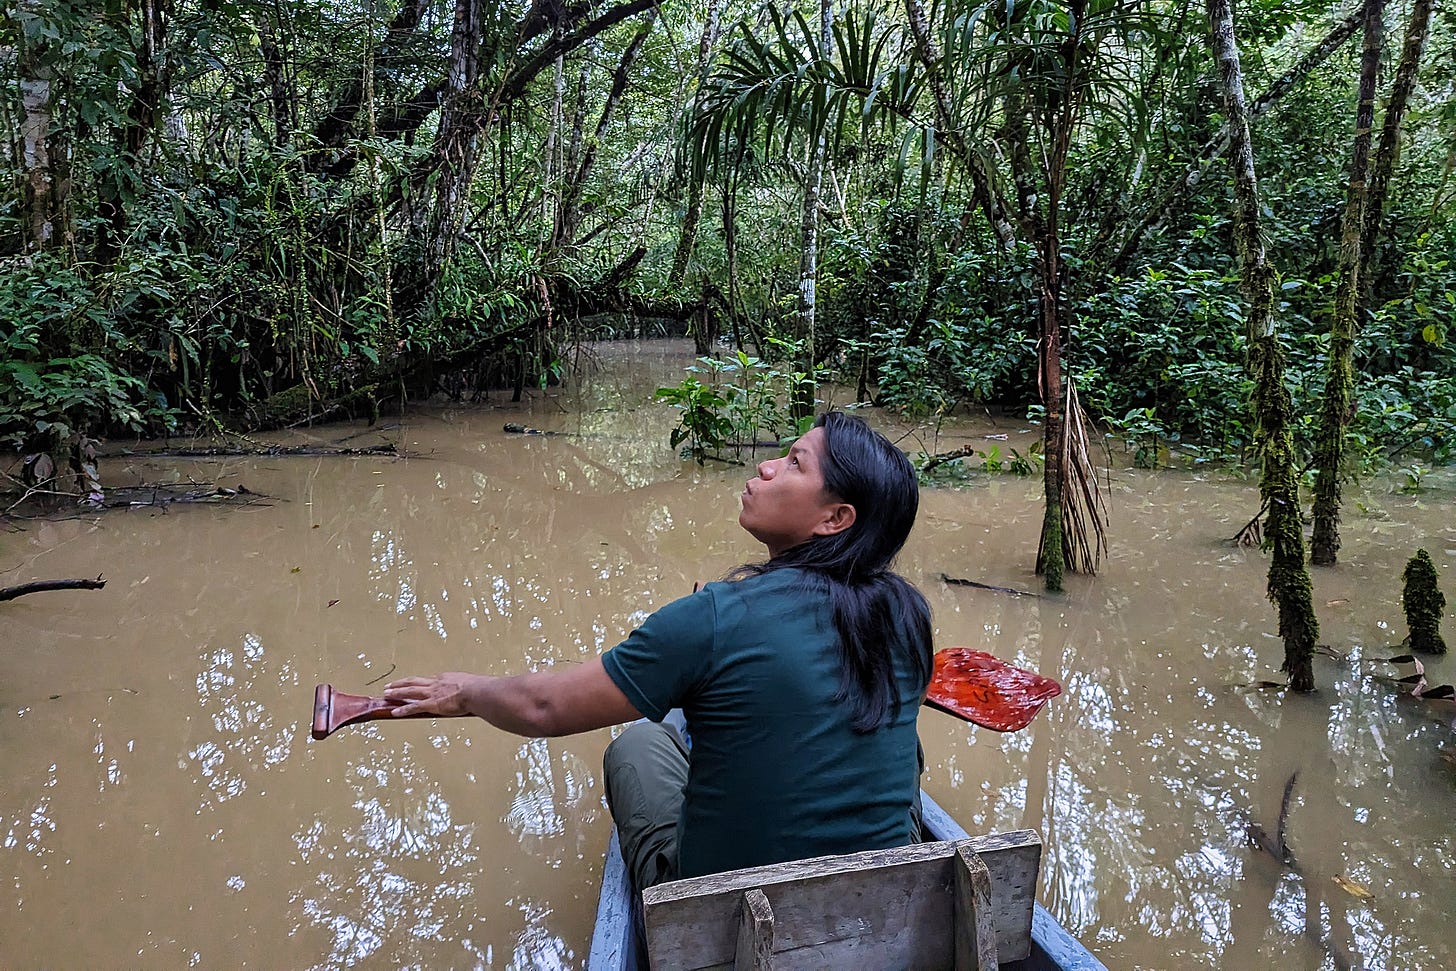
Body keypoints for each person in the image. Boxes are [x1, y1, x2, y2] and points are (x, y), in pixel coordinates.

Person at [383, 410, 933, 894]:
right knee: (901, 746)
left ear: (835, 519)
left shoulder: (718, 616)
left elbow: (543, 707)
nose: (766, 468)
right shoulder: (910, 616)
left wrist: (468, 692)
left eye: (794, 463)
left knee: (641, 743)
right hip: (878, 905)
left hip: (724, 918)